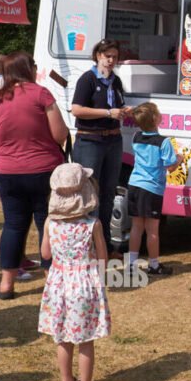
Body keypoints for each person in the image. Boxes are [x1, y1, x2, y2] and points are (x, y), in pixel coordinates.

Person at [0, 52, 69, 299]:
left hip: (9, 172)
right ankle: (51, 282)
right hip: (44, 170)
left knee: (13, 225)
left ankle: (6, 285)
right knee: (47, 224)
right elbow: (60, 134)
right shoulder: (41, 94)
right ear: (28, 68)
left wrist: (6, 155)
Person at [38, 163, 111, 381]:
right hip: (84, 285)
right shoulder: (93, 225)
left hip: (58, 284)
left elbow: (45, 254)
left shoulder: (50, 223)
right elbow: (103, 258)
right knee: (85, 339)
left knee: (62, 337)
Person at [70, 39, 131, 258]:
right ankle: (87, 247)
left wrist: (124, 111)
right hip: (90, 140)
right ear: (98, 56)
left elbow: (116, 107)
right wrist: (107, 113)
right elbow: (76, 109)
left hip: (113, 140)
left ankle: (104, 246)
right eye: (108, 56)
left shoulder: (116, 81)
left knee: (108, 194)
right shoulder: (87, 79)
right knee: (89, 195)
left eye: (115, 56)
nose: (111, 60)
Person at [126, 102, 178, 277]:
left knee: (136, 227)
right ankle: (154, 265)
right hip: (151, 189)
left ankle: (131, 265)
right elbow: (170, 166)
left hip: (134, 185)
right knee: (152, 230)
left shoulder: (136, 137)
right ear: (156, 118)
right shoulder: (164, 142)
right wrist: (179, 158)